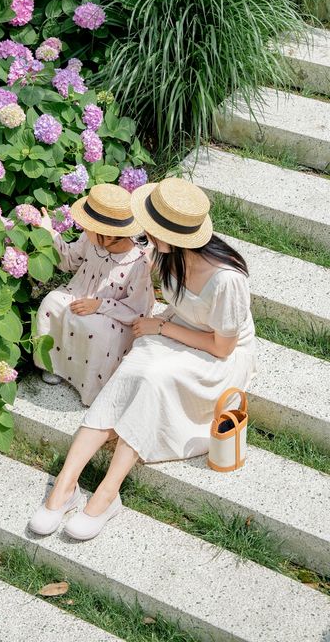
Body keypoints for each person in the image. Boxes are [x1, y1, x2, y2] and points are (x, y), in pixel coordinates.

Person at [29, 177, 257, 541]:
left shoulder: (226, 280)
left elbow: (222, 348)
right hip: (173, 328)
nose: (141, 234)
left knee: (151, 379)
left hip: (213, 355)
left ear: (170, 235)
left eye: (148, 229)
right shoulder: (166, 255)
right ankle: (64, 485)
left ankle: (106, 495)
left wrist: (160, 329)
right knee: (131, 372)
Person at [34, 183, 154, 406]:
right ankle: (55, 365)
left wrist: (100, 305)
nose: (83, 228)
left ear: (107, 236)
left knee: (97, 332)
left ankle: (90, 387)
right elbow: (69, 260)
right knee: (52, 303)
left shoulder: (138, 263)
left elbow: (139, 309)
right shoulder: (90, 240)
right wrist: (49, 233)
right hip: (78, 294)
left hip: (114, 316)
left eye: (88, 226)